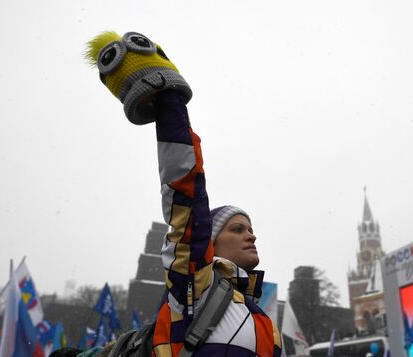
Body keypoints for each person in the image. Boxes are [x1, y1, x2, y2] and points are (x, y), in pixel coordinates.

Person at [86, 31, 282, 356]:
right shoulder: (193, 290)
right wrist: (168, 102)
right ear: (209, 241)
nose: (251, 235)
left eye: (248, 228)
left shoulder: (266, 325)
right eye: (237, 228)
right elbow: (187, 194)